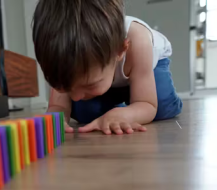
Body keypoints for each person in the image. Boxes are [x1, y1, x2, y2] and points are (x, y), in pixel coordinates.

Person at [32, 0, 183, 135]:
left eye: (89, 84)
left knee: (162, 108)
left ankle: (130, 102)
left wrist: (125, 115)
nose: (75, 97)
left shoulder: (139, 42)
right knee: (86, 113)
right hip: (110, 74)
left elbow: (147, 104)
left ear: (120, 51)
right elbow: (57, 106)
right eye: (64, 88)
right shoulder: (60, 55)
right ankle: (116, 102)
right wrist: (55, 117)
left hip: (148, 64)